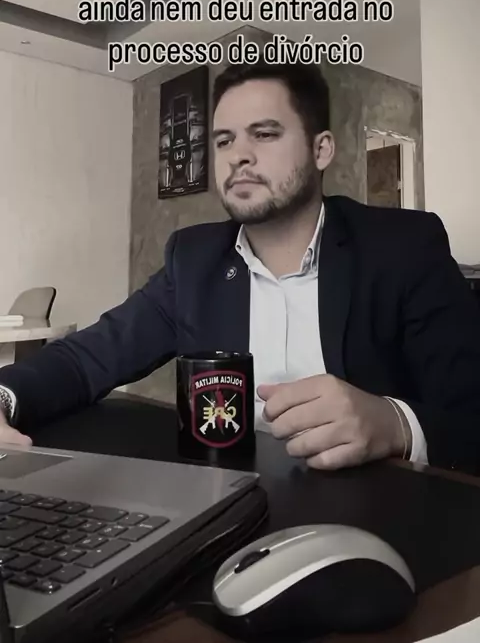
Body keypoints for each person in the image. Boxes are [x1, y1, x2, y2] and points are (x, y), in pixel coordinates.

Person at [1, 60, 480, 474]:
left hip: (379, 519)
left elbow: (470, 416)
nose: (238, 156)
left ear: (321, 150)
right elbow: (87, 358)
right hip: (233, 507)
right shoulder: (194, 260)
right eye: (224, 140)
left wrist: (394, 424)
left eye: (264, 134)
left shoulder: (404, 247)